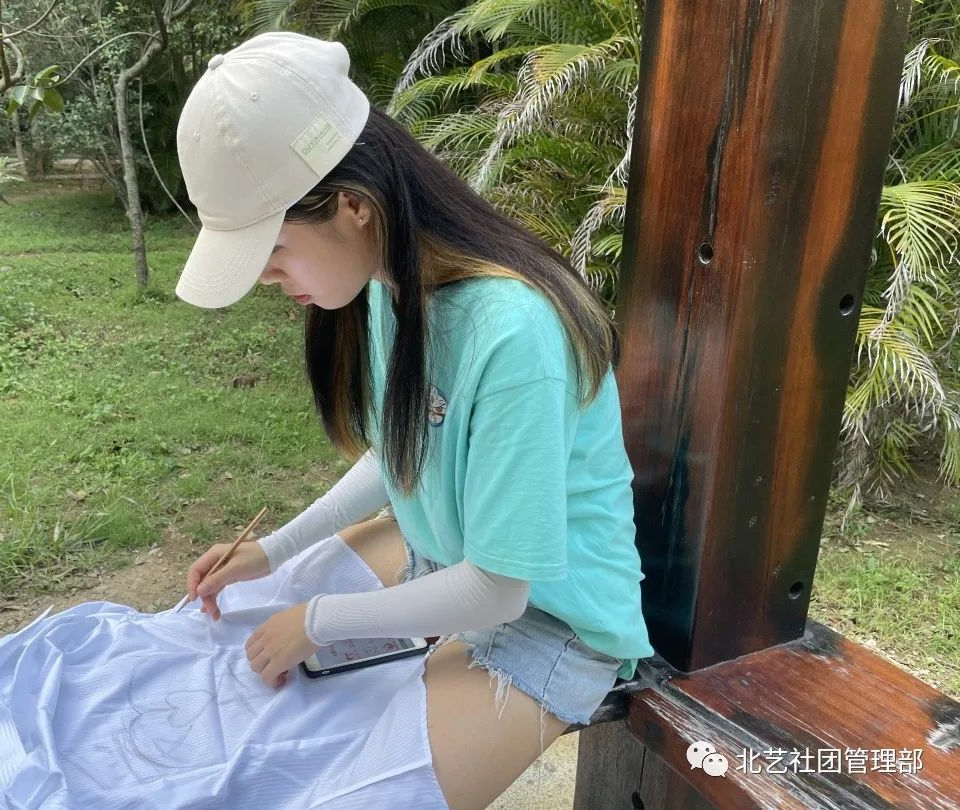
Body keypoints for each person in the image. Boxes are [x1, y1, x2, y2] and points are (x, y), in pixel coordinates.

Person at [176, 31, 653, 809]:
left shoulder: (514, 331)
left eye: (274, 248)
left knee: (346, 796)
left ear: (353, 206)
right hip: (446, 559)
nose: (266, 277)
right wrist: (273, 548)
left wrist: (317, 622)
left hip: (549, 617)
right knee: (260, 641)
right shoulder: (386, 284)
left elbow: (498, 588)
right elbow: (404, 447)